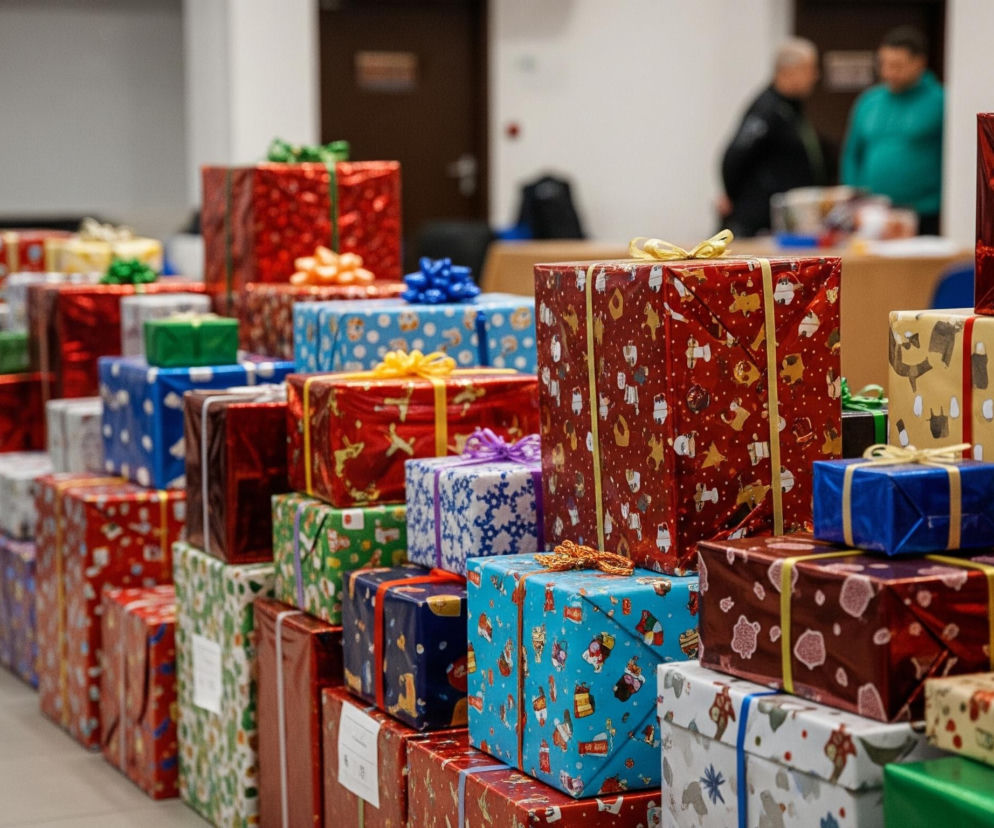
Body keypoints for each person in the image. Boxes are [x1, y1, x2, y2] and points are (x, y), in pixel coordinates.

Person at [719, 38, 827, 238]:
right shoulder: (767, 109)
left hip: (787, 220)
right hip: (760, 221)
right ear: (789, 71)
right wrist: (734, 197)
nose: (815, 76)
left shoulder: (790, 108)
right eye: (810, 69)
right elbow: (734, 157)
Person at [841, 26, 944, 235]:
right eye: (884, 64)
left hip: (924, 212)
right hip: (874, 213)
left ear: (919, 63)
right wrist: (853, 200)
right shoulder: (869, 101)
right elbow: (852, 153)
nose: (888, 72)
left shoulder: (941, 101)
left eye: (897, 65)